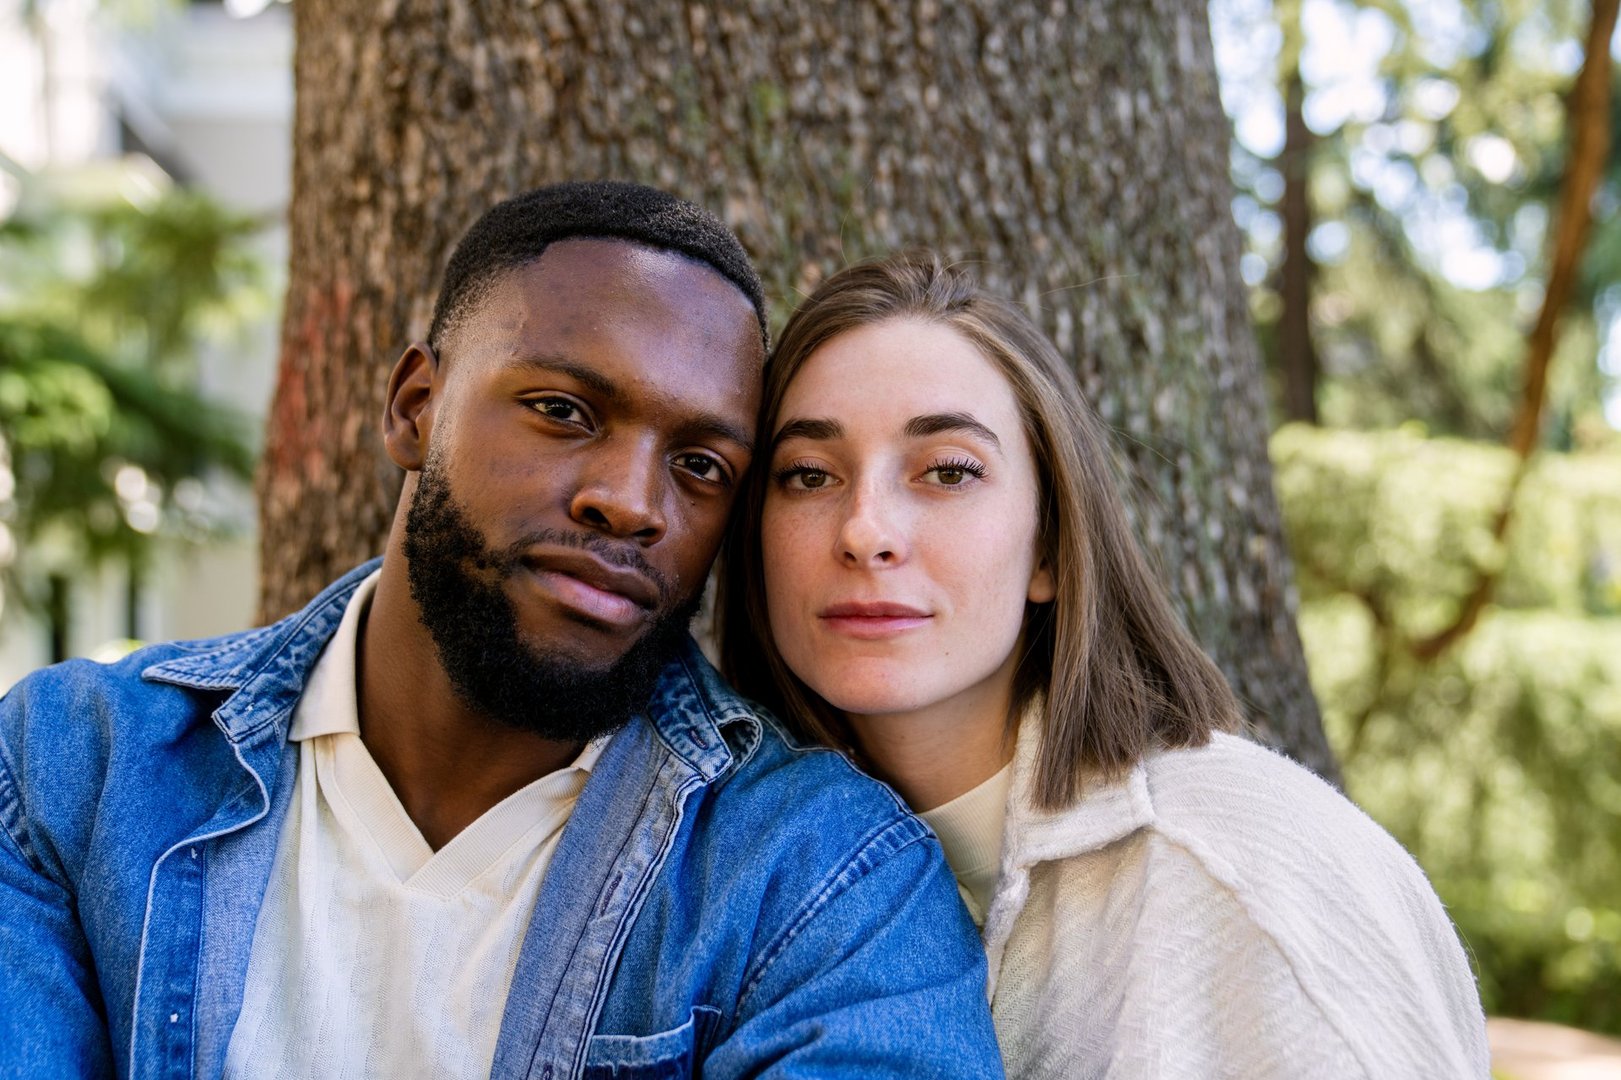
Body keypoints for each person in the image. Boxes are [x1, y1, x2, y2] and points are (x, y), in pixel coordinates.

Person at [0, 185, 1004, 1079]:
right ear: (414, 408)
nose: (629, 501)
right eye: (564, 410)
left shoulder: (823, 883)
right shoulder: (73, 771)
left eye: (700, 465)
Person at [720, 251, 1491, 1078]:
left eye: (947, 471)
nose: (863, 530)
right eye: (806, 475)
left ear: (1050, 545)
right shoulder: (722, 883)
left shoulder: (1249, 883)